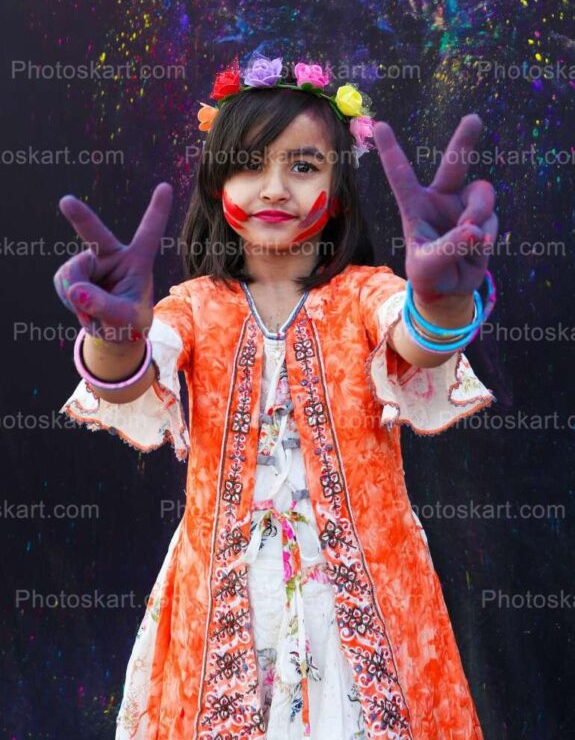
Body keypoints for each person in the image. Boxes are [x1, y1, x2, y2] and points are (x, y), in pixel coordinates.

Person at [54, 54, 499, 740]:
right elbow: (139, 368)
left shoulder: (363, 296)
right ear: (214, 185)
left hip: (360, 603)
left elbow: (414, 338)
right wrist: (115, 335)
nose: (273, 187)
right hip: (225, 601)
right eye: (248, 164)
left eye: (302, 166)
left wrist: (442, 300)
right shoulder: (193, 308)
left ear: (338, 188)